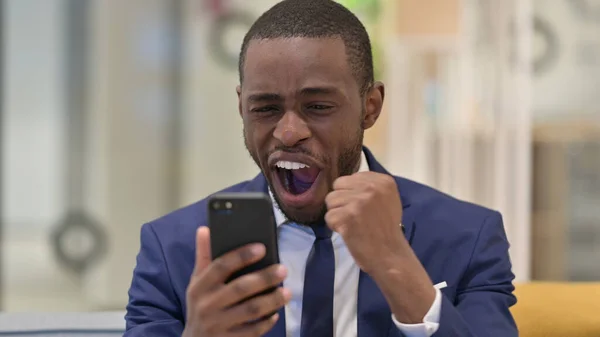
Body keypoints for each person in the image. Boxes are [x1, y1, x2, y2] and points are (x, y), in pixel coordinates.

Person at [124, 0, 518, 336]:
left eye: (318, 107)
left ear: (371, 106)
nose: (289, 132)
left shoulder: (467, 238)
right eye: (265, 108)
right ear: (241, 107)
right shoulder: (172, 251)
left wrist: (397, 265)